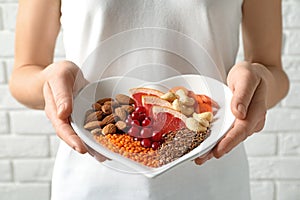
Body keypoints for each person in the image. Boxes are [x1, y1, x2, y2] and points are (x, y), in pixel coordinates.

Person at [10, 0, 289, 199]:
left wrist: (258, 78)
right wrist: (54, 79)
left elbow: (272, 70)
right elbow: (24, 74)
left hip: (212, 175)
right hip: (91, 174)